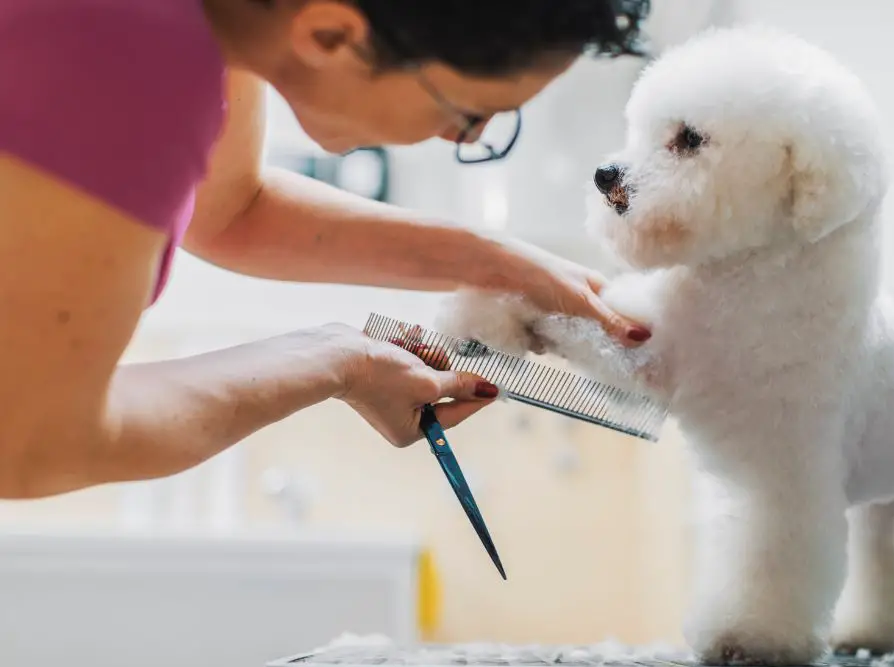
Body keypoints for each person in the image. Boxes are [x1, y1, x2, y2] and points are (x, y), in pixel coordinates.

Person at [0, 0, 652, 499]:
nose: (459, 139)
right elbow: (30, 440)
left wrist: (502, 264)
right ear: (333, 36)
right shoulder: (129, 51)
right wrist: (334, 362)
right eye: (467, 115)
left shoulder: (223, 22)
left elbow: (231, 211)